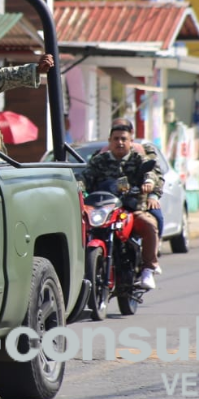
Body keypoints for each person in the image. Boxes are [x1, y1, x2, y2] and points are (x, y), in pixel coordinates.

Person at [82, 118, 163, 290]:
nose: (120, 142)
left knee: (150, 225)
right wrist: (76, 188)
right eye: (116, 139)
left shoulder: (138, 158)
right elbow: (84, 178)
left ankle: (148, 268)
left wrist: (148, 183)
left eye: (123, 139)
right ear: (110, 141)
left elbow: (152, 174)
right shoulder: (99, 160)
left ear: (130, 141)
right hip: (105, 210)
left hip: (132, 208)